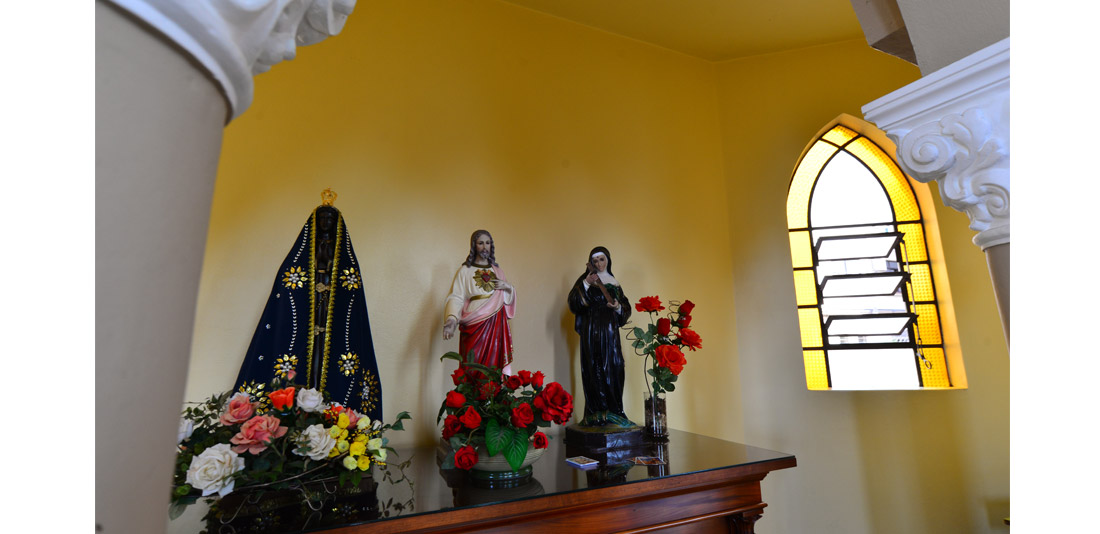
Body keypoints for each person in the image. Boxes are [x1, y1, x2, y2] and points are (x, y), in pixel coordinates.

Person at [232, 197, 383, 421]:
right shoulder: (298, 260)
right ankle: (295, 416)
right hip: (309, 316)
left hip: (329, 314)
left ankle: (331, 417)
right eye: (322, 218)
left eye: (330, 219)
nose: (325, 223)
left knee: (329, 360)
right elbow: (287, 292)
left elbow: (351, 299)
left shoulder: (345, 260)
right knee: (301, 361)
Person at [568, 246, 634, 427]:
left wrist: (617, 307)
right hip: (591, 330)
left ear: (608, 260)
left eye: (602, 259)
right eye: (595, 260)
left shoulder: (614, 282)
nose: (598, 263)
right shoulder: (586, 280)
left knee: (614, 366)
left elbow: (626, 308)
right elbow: (574, 303)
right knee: (594, 367)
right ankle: (595, 411)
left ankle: (615, 411)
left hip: (610, 332)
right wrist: (586, 283)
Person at [443, 230, 516, 371]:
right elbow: (456, 297)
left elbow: (506, 300)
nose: (484, 247)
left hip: (495, 322)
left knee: (493, 362)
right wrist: (451, 320)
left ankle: (493, 385)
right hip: (474, 322)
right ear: (474, 245)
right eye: (480, 243)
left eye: (487, 243)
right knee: (472, 361)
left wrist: (508, 287)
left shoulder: (498, 271)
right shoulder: (465, 270)